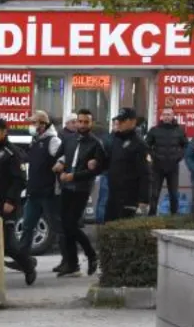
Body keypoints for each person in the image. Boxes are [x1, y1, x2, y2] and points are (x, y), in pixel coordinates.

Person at [0, 118, 37, 285]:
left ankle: (27, 265)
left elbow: (20, 180)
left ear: (5, 132)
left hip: (5, 205)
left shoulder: (12, 153)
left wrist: (11, 200)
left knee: (8, 244)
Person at [52, 109, 105, 277]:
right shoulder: (68, 139)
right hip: (66, 186)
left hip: (81, 188)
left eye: (85, 122)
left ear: (91, 123)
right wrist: (59, 163)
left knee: (71, 224)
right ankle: (72, 262)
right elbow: (60, 156)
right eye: (79, 121)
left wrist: (74, 175)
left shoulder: (96, 143)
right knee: (66, 226)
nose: (82, 125)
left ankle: (91, 255)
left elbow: (97, 170)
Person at [19, 111, 65, 271]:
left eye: (34, 123)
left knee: (57, 226)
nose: (32, 126)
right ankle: (22, 259)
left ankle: (69, 260)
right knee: (27, 225)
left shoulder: (53, 141)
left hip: (49, 192)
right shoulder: (36, 141)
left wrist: (60, 163)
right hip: (34, 192)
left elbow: (64, 155)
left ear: (43, 124)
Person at [104, 108, 151, 222]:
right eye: (119, 120)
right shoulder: (116, 139)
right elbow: (108, 161)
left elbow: (146, 174)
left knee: (122, 230)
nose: (119, 123)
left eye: (123, 121)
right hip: (113, 194)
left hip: (129, 197)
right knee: (108, 227)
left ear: (133, 122)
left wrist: (143, 200)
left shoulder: (139, 144)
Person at [146, 107, 188, 215]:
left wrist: (179, 156)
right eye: (165, 114)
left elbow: (186, 146)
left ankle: (173, 217)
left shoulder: (179, 130)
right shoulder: (154, 130)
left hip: (173, 166)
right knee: (154, 194)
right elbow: (146, 146)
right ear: (161, 116)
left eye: (169, 114)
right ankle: (151, 216)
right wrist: (153, 156)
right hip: (157, 167)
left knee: (173, 194)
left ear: (173, 116)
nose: (167, 117)